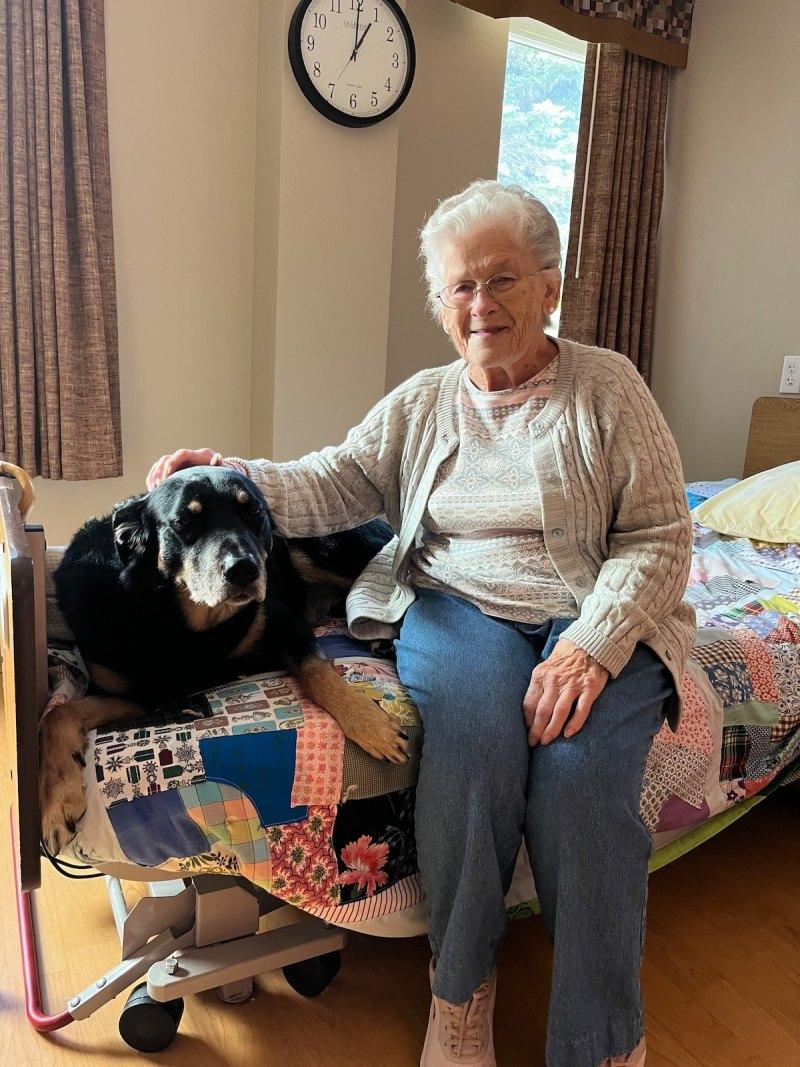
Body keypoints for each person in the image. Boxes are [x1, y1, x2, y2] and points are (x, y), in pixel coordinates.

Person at [147, 180, 696, 1067]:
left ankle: (600, 1042)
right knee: (475, 747)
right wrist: (233, 471)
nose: (480, 304)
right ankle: (460, 991)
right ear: (442, 307)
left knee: (585, 778)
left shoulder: (610, 389)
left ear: (550, 286)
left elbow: (664, 533)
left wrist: (596, 641)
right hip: (454, 603)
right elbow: (335, 478)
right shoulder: (423, 400)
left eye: (503, 279)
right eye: (460, 288)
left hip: (592, 612)